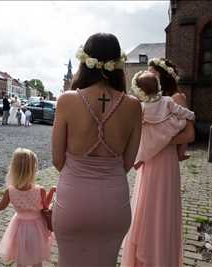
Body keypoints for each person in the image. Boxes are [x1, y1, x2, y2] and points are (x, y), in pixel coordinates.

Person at [51, 33, 142, 266]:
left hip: (73, 200)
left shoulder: (67, 100)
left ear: (85, 61)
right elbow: (128, 162)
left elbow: (57, 160)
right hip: (113, 201)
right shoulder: (133, 106)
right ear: (117, 64)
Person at [121, 58, 195, 267]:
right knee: (144, 211)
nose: (149, 76)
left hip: (165, 162)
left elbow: (189, 134)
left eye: (152, 73)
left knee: (160, 211)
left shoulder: (176, 98)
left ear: (163, 76)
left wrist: (159, 141)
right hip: (149, 162)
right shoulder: (150, 102)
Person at [0, 148, 56, 267]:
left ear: (14, 169)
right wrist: (51, 192)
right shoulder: (40, 190)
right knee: (37, 259)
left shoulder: (10, 191)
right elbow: (45, 206)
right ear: (33, 169)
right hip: (37, 227)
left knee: (20, 258)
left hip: (19, 227)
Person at [130, 70, 195, 169]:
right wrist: (191, 115)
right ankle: (180, 153)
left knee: (145, 143)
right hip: (167, 129)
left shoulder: (142, 107)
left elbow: (138, 121)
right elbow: (180, 111)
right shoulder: (167, 100)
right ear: (158, 86)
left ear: (140, 91)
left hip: (152, 133)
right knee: (182, 122)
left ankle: (140, 158)